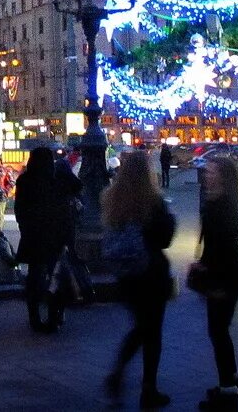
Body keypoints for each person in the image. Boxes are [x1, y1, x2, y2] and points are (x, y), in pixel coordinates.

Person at [103, 153, 176, 409]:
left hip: (127, 276)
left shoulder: (113, 198)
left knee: (140, 326)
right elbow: (165, 238)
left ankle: (119, 372)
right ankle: (148, 389)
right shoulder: (152, 201)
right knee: (151, 332)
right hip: (152, 274)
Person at [197, 157, 238, 411]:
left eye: (212, 170)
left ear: (224, 177)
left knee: (218, 332)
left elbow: (222, 247)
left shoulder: (221, 206)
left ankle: (227, 389)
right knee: (220, 331)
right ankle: (232, 379)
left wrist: (210, 273)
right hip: (226, 275)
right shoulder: (222, 202)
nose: (206, 173)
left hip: (222, 277)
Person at [14, 146, 82, 333]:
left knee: (35, 277)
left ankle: (34, 317)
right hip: (55, 236)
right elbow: (77, 187)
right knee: (55, 277)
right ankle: (54, 316)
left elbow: (20, 209)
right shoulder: (56, 180)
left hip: (33, 236)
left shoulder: (25, 181)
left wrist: (25, 228)